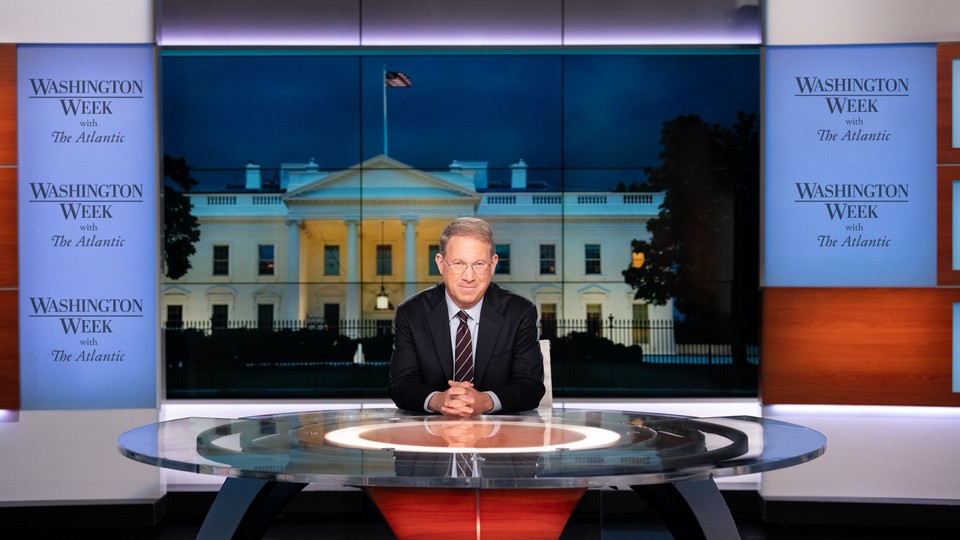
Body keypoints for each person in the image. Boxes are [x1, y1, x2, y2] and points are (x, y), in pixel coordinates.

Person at [388, 217, 545, 416]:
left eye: (479, 264)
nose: (469, 277)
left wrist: (486, 401)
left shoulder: (520, 312)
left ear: (493, 264)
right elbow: (401, 384)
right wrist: (438, 400)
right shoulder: (411, 313)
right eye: (458, 263)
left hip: (501, 438)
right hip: (430, 438)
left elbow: (531, 386)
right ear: (441, 263)